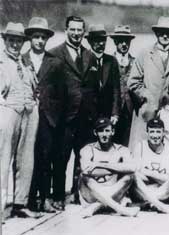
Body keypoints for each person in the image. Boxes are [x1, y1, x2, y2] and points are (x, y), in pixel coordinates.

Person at [50, 15, 94, 209]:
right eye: (73, 29)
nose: (76, 33)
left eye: (79, 30)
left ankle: (78, 194)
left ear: (84, 32)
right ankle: (58, 196)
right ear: (66, 29)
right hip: (64, 118)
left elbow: (93, 87)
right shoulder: (54, 54)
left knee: (82, 157)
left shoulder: (89, 55)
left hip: (85, 117)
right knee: (61, 158)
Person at [23, 17, 66, 213]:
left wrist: (55, 114)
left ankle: (44, 198)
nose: (40, 41)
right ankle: (26, 200)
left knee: (45, 157)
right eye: (36, 37)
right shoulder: (21, 59)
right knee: (26, 158)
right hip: (27, 115)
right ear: (30, 38)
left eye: (43, 37)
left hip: (48, 118)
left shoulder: (55, 62)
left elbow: (61, 92)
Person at [128, 16, 169, 150]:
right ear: (156, 33)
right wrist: (146, 96)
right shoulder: (144, 54)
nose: (165, 35)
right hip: (147, 111)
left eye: (168, 32)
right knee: (142, 148)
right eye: (161, 32)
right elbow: (132, 82)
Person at [0, 22, 40, 218]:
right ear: (5, 40)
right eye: (11, 40)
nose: (15, 44)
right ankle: (0, 207)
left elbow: (34, 87)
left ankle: (20, 203)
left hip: (29, 111)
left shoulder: (26, 62)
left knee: (26, 160)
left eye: (18, 41)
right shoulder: (1, 62)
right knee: (3, 160)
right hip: (9, 111)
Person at [79, 118, 139, 218]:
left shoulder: (121, 149)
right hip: (92, 195)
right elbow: (86, 170)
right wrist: (117, 168)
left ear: (112, 132)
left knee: (129, 176)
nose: (104, 134)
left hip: (113, 192)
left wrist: (99, 165)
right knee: (84, 177)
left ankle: (96, 206)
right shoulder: (88, 149)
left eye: (107, 130)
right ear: (95, 133)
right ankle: (120, 209)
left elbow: (132, 167)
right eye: (100, 131)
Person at [131, 118, 169, 214]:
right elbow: (136, 174)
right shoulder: (140, 147)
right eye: (152, 132)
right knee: (132, 175)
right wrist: (159, 177)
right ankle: (158, 205)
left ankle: (148, 203)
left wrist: (147, 172)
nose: (155, 136)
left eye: (158, 132)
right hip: (143, 190)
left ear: (163, 133)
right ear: (147, 133)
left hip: (163, 191)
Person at [111, 25, 136, 146]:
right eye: (120, 41)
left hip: (130, 110)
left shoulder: (135, 62)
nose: (124, 44)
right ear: (115, 42)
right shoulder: (108, 61)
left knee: (127, 144)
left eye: (127, 41)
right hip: (112, 110)